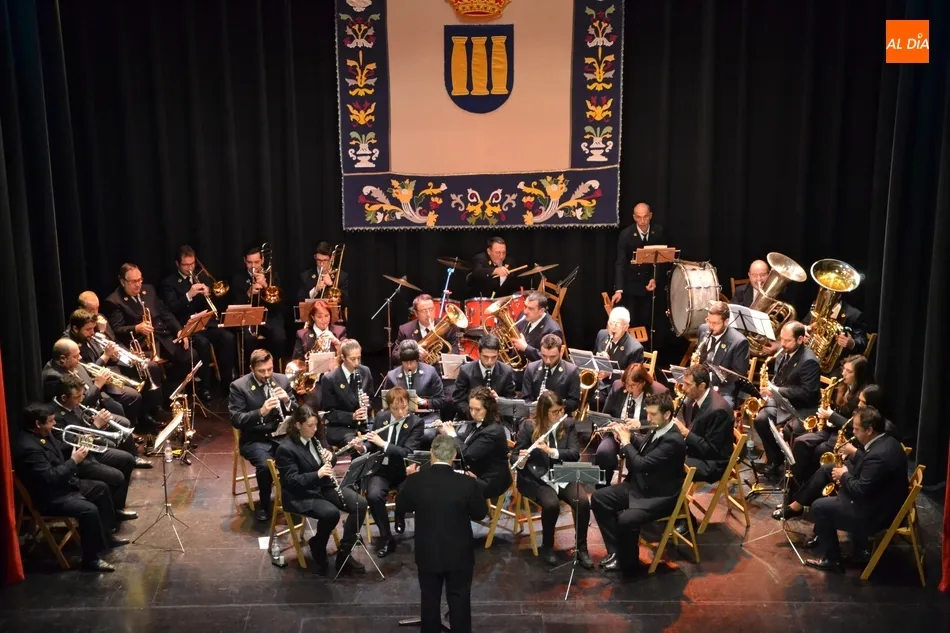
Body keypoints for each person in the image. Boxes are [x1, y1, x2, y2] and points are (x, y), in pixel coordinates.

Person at [14, 404, 129, 572]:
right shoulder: (28, 448)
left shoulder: (43, 434)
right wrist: (74, 461)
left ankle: (105, 535)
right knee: (88, 510)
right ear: (38, 424)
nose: (54, 424)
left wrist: (86, 439)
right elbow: (51, 478)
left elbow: (61, 448)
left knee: (101, 488)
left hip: (63, 486)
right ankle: (90, 560)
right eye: (51, 421)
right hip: (49, 497)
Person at [792, 407, 908, 572]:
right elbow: (870, 469)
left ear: (869, 430)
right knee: (828, 469)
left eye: (856, 429)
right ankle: (800, 506)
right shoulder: (887, 441)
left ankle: (832, 560)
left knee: (819, 507)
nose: (853, 432)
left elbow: (860, 490)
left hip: (875, 515)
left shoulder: (879, 456)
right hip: (881, 499)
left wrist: (844, 475)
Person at [396, 434, 488, 633]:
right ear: (454, 455)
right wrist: (476, 485)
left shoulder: (416, 481)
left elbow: (402, 504)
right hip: (460, 554)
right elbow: (481, 513)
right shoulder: (467, 483)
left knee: (429, 599)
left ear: (431, 452)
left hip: (428, 552)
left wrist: (408, 479)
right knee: (460, 599)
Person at [590, 392, 686, 576]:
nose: (648, 418)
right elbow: (644, 447)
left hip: (659, 496)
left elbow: (641, 465)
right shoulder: (659, 426)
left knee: (626, 520)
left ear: (667, 415)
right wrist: (628, 436)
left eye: (653, 414)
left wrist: (626, 443)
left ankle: (629, 563)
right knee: (599, 498)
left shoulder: (673, 440)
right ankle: (617, 552)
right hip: (642, 485)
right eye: (647, 413)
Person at [275, 405, 367, 574]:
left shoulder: (316, 437)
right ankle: (318, 543)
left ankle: (344, 554)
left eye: (316, 425)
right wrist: (317, 474)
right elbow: (290, 481)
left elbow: (329, 461)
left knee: (359, 504)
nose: (315, 429)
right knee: (331, 513)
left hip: (323, 486)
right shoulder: (286, 449)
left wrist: (330, 457)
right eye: (310, 426)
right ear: (297, 425)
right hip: (300, 494)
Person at [103, 263, 213, 403]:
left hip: (162, 337)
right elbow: (117, 329)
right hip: (142, 343)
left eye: (140, 280)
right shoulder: (114, 301)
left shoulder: (149, 290)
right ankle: (157, 402)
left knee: (191, 356)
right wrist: (136, 328)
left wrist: (179, 330)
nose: (138, 285)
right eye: (133, 282)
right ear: (123, 282)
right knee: (152, 369)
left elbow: (165, 312)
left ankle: (169, 392)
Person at [512, 391, 592, 568]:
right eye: (554, 411)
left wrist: (550, 451)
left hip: (562, 472)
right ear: (543, 412)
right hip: (537, 477)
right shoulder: (529, 427)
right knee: (551, 504)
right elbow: (514, 456)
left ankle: (581, 548)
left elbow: (574, 454)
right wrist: (522, 460)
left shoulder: (568, 424)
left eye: (561, 410)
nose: (559, 415)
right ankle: (547, 545)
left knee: (583, 502)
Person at [228, 349, 297, 521]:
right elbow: (237, 419)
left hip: (280, 435)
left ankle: (295, 498)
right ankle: (265, 505)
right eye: (261, 371)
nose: (267, 374)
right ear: (252, 368)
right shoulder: (239, 386)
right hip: (255, 439)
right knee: (265, 467)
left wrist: (287, 401)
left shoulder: (281, 380)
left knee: (300, 454)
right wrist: (261, 411)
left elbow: (298, 412)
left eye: (270, 369)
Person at [160, 244, 237, 387]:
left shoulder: (202, 277)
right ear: (178, 264)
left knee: (228, 337)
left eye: (192, 263)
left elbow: (214, 305)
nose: (190, 268)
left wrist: (209, 294)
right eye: (186, 265)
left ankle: (228, 382)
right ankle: (205, 387)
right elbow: (171, 309)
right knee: (203, 344)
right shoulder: (169, 283)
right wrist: (188, 295)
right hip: (187, 327)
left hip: (206, 324)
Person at [752, 321, 820, 478]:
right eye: (781, 339)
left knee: (792, 429)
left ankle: (795, 472)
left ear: (801, 339)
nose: (782, 344)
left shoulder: (809, 361)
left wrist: (777, 390)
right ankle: (775, 460)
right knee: (761, 419)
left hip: (802, 407)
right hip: (783, 401)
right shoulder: (783, 353)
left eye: (787, 340)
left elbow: (807, 393)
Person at [363, 387, 425, 558]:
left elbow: (407, 451)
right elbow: (372, 444)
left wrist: (383, 444)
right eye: (395, 408)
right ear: (388, 406)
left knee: (408, 494)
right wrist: (361, 446)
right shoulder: (380, 418)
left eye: (404, 407)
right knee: (374, 496)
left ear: (409, 404)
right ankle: (386, 537)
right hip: (381, 470)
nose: (400, 412)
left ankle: (399, 513)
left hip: (404, 471)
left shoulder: (416, 423)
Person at [791, 355, 870, 484]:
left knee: (819, 450)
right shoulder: (844, 387)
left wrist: (831, 416)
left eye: (849, 372)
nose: (843, 374)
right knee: (800, 441)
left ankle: (811, 483)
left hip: (847, 437)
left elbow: (855, 425)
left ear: (859, 375)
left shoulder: (863, 396)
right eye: (844, 369)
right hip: (832, 431)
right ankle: (799, 482)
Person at [52, 373, 149, 467]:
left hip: (90, 440)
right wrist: (96, 425)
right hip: (82, 454)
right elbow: (75, 443)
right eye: (77, 397)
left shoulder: (72, 403)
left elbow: (85, 420)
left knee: (115, 442)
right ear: (64, 398)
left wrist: (99, 421)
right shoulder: (55, 416)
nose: (81, 400)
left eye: (82, 395)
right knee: (126, 458)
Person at [594, 363, 668, 487]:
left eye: (633, 385)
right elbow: (606, 414)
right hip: (616, 434)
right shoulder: (618, 386)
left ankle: (632, 490)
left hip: (642, 437)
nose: (628, 388)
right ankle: (601, 489)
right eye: (626, 384)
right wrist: (614, 427)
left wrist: (640, 423)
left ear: (643, 382)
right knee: (603, 452)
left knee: (639, 461)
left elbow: (662, 422)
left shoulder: (658, 392)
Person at [438, 386, 512, 500]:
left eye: (477, 409)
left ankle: (461, 515)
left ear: (488, 409)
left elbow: (468, 455)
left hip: (489, 480)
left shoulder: (493, 431)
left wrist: (453, 435)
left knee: (446, 490)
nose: (473, 413)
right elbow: (467, 439)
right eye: (471, 408)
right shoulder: (477, 423)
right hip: (474, 471)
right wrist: (445, 432)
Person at [611, 203, 666, 342]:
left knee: (648, 320)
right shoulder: (626, 234)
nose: (642, 221)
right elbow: (620, 263)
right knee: (632, 320)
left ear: (651, 216)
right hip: (631, 284)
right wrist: (619, 289)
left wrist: (654, 279)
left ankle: (647, 354)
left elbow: (660, 260)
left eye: (645, 217)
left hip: (649, 283)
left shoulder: (658, 231)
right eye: (639, 218)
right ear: (634, 217)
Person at [672, 365, 734, 483]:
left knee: (668, 463)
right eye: (683, 383)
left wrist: (685, 432)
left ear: (702, 386)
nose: (683, 388)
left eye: (688, 385)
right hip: (695, 451)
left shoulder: (718, 411)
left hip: (711, 462)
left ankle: (675, 500)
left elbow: (711, 450)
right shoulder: (691, 399)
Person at [229, 243, 288, 358]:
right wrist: (248, 294)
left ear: (262, 260)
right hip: (248, 319)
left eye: (256, 262)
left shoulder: (273, 276)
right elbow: (234, 306)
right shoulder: (238, 279)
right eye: (250, 262)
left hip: (269, 317)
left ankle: (273, 368)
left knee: (279, 337)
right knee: (249, 339)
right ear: (244, 261)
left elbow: (280, 306)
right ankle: (250, 370)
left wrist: (266, 286)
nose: (253, 266)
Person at [385, 340, 445, 443]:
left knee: (426, 434)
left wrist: (423, 402)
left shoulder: (430, 372)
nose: (409, 366)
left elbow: (441, 400)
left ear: (417, 359)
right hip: (400, 417)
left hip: (426, 416)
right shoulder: (392, 375)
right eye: (405, 362)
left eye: (412, 362)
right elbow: (386, 403)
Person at [692, 301, 750, 407]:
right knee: (687, 403)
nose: (710, 326)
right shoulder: (703, 329)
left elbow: (738, 376)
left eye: (715, 323)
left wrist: (713, 382)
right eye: (708, 321)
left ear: (726, 321)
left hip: (724, 389)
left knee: (719, 409)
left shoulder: (739, 342)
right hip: (702, 384)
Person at [320, 339, 374, 448]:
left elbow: (371, 401)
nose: (357, 363)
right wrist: (352, 416)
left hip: (364, 425)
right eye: (352, 359)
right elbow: (330, 413)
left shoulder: (365, 371)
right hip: (341, 427)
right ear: (343, 358)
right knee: (357, 446)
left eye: (359, 358)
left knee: (382, 438)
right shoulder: (330, 379)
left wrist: (367, 404)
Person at [451, 335, 516, 420]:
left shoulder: (506, 371)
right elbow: (458, 400)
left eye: (494, 357)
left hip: (497, 419)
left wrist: (499, 400)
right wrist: (475, 413)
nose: (490, 361)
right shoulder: (465, 370)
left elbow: (511, 401)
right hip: (471, 418)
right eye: (486, 357)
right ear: (479, 353)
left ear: (498, 354)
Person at [592, 306, 643, 406]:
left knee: (597, 400)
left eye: (617, 324)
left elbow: (633, 376)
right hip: (597, 383)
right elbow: (593, 355)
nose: (613, 327)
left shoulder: (635, 348)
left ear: (626, 327)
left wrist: (609, 373)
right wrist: (597, 361)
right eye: (610, 323)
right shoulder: (601, 334)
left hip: (618, 387)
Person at [520, 334, 581, 414]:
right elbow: (525, 399)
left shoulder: (571, 371)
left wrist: (553, 401)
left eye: (552, 357)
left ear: (561, 352)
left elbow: (574, 403)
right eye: (544, 356)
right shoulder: (531, 368)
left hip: (560, 417)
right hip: (536, 416)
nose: (548, 361)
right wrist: (533, 406)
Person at [393, 293, 459, 364]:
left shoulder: (448, 327)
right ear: (416, 313)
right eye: (424, 311)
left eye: (431, 309)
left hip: (439, 371)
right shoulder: (405, 329)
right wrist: (413, 353)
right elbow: (395, 356)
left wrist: (438, 359)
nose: (428, 314)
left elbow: (455, 352)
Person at [297, 241, 349, 311]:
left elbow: (345, 302)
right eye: (318, 260)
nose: (321, 264)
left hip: (335, 319)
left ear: (332, 258)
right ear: (315, 257)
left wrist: (331, 285)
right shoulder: (305, 276)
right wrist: (315, 290)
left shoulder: (342, 276)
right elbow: (300, 301)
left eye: (325, 260)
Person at [512, 292, 563, 364]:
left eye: (530, 309)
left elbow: (549, 359)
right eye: (525, 306)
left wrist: (526, 348)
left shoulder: (553, 330)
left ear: (541, 311)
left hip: (534, 371)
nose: (525, 311)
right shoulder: (523, 315)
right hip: (514, 363)